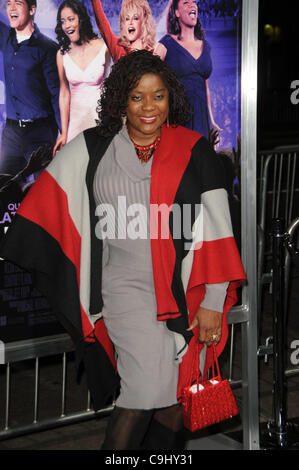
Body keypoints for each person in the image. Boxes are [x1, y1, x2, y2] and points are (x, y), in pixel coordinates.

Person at [0, 50, 245, 450]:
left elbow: (217, 230)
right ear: (120, 101)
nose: (149, 107)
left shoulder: (193, 149)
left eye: (159, 95)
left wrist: (215, 300)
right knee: (141, 393)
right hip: (123, 290)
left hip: (185, 292)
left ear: (172, 98)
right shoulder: (93, 147)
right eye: (137, 96)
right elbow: (44, 201)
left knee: (172, 401)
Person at [0, 0, 60, 177]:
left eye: (18, 3)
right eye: (8, 3)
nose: (11, 7)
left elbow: (57, 94)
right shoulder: (5, 38)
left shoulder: (48, 48)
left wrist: (63, 133)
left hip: (40, 133)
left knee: (42, 193)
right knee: (5, 191)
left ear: (32, 9)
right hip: (11, 133)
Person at [155, 0, 222, 139]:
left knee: (199, 158)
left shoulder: (206, 46)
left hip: (201, 121)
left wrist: (211, 120)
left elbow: (205, 86)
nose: (192, 5)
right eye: (186, 2)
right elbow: (149, 80)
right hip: (177, 120)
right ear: (176, 12)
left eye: (194, 2)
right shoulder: (166, 44)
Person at [53, 0, 111, 154]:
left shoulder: (103, 48)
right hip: (75, 126)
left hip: (100, 121)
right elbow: (64, 93)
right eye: (63, 22)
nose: (67, 26)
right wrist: (64, 133)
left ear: (81, 19)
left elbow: (111, 89)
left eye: (71, 19)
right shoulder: (61, 54)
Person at [91, 0, 156, 62]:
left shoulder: (154, 54)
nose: (130, 22)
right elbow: (101, 21)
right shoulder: (118, 48)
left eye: (135, 18)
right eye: (127, 19)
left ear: (144, 22)